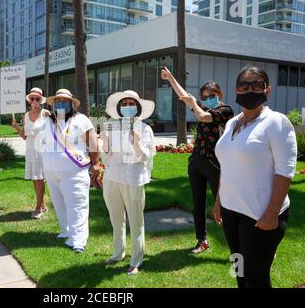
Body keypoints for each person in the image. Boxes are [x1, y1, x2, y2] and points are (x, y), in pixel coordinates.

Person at [214, 66, 297, 288]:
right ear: (236, 90)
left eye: (257, 85)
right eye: (244, 85)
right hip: (232, 211)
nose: (250, 89)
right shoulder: (232, 122)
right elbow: (228, 164)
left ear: (267, 89)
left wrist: (271, 214)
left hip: (260, 216)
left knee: (256, 277)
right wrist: (219, 200)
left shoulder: (276, 122)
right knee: (238, 268)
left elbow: (285, 171)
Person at [161, 67, 234, 254]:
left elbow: (202, 116)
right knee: (198, 204)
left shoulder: (226, 110)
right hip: (197, 162)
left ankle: (236, 244)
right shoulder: (201, 105)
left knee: (225, 205)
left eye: (211, 95)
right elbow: (186, 96)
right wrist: (170, 78)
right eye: (204, 95)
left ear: (219, 94)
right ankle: (201, 240)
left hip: (215, 164)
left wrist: (194, 102)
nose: (208, 98)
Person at [100, 90, 156, 275]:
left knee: (135, 220)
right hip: (112, 177)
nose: (127, 107)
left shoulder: (145, 129)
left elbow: (144, 157)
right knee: (116, 218)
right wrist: (105, 143)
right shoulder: (110, 126)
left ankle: (136, 259)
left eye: (131, 103)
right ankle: (118, 253)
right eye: (124, 104)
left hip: (133, 178)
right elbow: (106, 157)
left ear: (138, 107)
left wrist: (137, 143)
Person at [40, 89, 101, 253]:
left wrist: (95, 163)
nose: (60, 104)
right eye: (57, 101)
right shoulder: (48, 122)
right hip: (51, 171)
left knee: (77, 204)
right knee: (59, 203)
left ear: (72, 104)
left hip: (74, 171)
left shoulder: (81, 120)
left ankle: (78, 240)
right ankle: (66, 231)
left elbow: (93, 142)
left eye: (64, 102)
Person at [12, 88, 51, 219]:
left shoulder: (46, 114)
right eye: (32, 98)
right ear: (29, 101)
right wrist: (17, 128)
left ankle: (38, 208)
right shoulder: (25, 115)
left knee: (40, 179)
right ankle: (43, 205)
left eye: (37, 99)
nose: (34, 101)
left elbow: (53, 132)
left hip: (42, 150)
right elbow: (25, 136)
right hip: (30, 150)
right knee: (35, 180)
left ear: (41, 100)